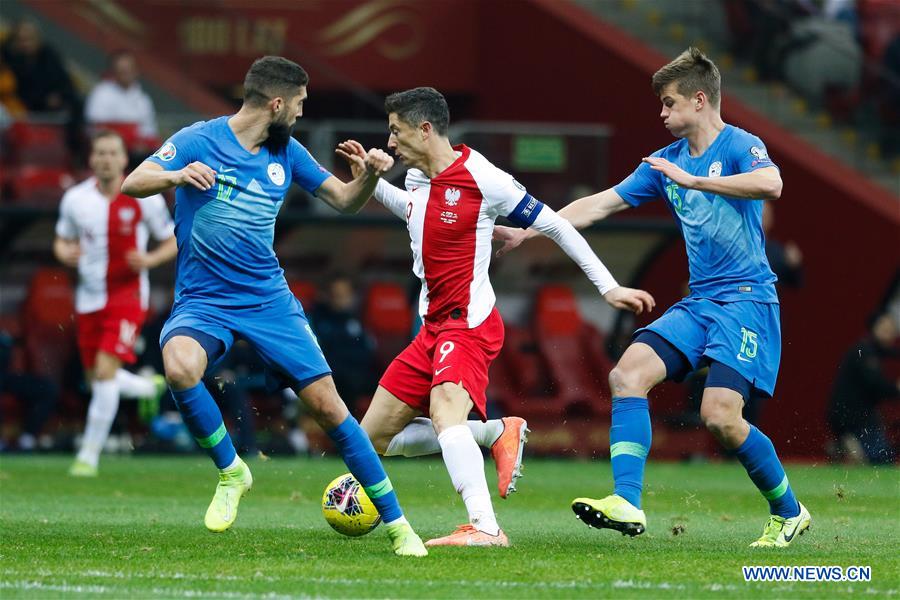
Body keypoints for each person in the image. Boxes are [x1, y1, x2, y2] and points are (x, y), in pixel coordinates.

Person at [495, 47, 811, 548]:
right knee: (627, 375)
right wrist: (529, 233)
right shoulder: (663, 163)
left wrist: (698, 181)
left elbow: (772, 183)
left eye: (668, 103)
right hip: (701, 301)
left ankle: (788, 511)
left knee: (721, 418)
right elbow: (600, 204)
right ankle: (627, 502)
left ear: (700, 99)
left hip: (748, 301)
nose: (661, 114)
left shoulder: (737, 145)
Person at [120, 56, 427, 557]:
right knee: (178, 368)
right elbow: (134, 181)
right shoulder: (199, 139)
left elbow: (345, 200)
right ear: (277, 103)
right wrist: (177, 178)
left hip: (268, 301)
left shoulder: (288, 151)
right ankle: (231, 472)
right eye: (301, 103)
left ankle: (399, 527)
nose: (303, 113)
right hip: (204, 300)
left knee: (330, 409)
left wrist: (370, 176)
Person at [336, 87, 655, 547]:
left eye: (395, 131)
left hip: (468, 324)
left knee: (446, 412)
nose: (390, 142)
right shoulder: (415, 179)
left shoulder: (484, 177)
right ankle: (495, 432)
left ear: (425, 130)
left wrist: (609, 287)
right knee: (370, 442)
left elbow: (556, 225)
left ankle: (485, 527)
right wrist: (368, 178)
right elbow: (411, 210)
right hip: (432, 327)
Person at [54, 130, 176, 476]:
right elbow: (61, 242)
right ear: (92, 159)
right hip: (89, 298)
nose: (106, 159)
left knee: (106, 374)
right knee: (96, 381)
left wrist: (149, 261)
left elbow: (172, 240)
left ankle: (88, 457)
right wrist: (68, 254)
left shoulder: (144, 197)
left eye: (112, 153)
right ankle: (145, 386)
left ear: (124, 160)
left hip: (127, 297)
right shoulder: (76, 199)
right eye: (100, 153)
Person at [827, 311, 900, 464]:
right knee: (880, 459)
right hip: (851, 417)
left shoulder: (874, 350)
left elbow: (891, 353)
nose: (888, 333)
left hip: (860, 415)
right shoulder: (863, 351)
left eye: (891, 329)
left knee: (883, 455)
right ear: (873, 328)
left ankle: (848, 447)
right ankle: (846, 447)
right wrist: (896, 387)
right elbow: (876, 385)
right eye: (884, 328)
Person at [309, 274, 377, 412]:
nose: (342, 300)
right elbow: (323, 355)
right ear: (326, 296)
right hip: (332, 378)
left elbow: (367, 352)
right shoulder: (318, 320)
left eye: (346, 295)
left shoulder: (355, 320)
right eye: (337, 295)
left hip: (358, 374)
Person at [85, 51, 159, 148]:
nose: (126, 73)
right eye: (122, 70)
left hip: (138, 151)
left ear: (136, 71)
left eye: (129, 69)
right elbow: (96, 125)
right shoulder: (101, 93)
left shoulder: (143, 98)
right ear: (114, 71)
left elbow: (150, 130)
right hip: (108, 146)